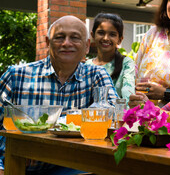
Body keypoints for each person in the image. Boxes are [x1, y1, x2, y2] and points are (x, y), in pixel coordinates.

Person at [0, 15, 119, 174]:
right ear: (48, 43)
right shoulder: (17, 76)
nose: (66, 43)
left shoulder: (96, 74)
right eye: (59, 37)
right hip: (17, 166)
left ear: (86, 46)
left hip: (70, 166)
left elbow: (113, 114)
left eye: (75, 38)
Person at [86, 12, 135, 104]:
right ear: (92, 35)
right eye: (101, 33)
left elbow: (128, 95)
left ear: (120, 39)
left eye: (112, 34)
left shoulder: (126, 63)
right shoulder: (86, 65)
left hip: (118, 115)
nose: (105, 38)